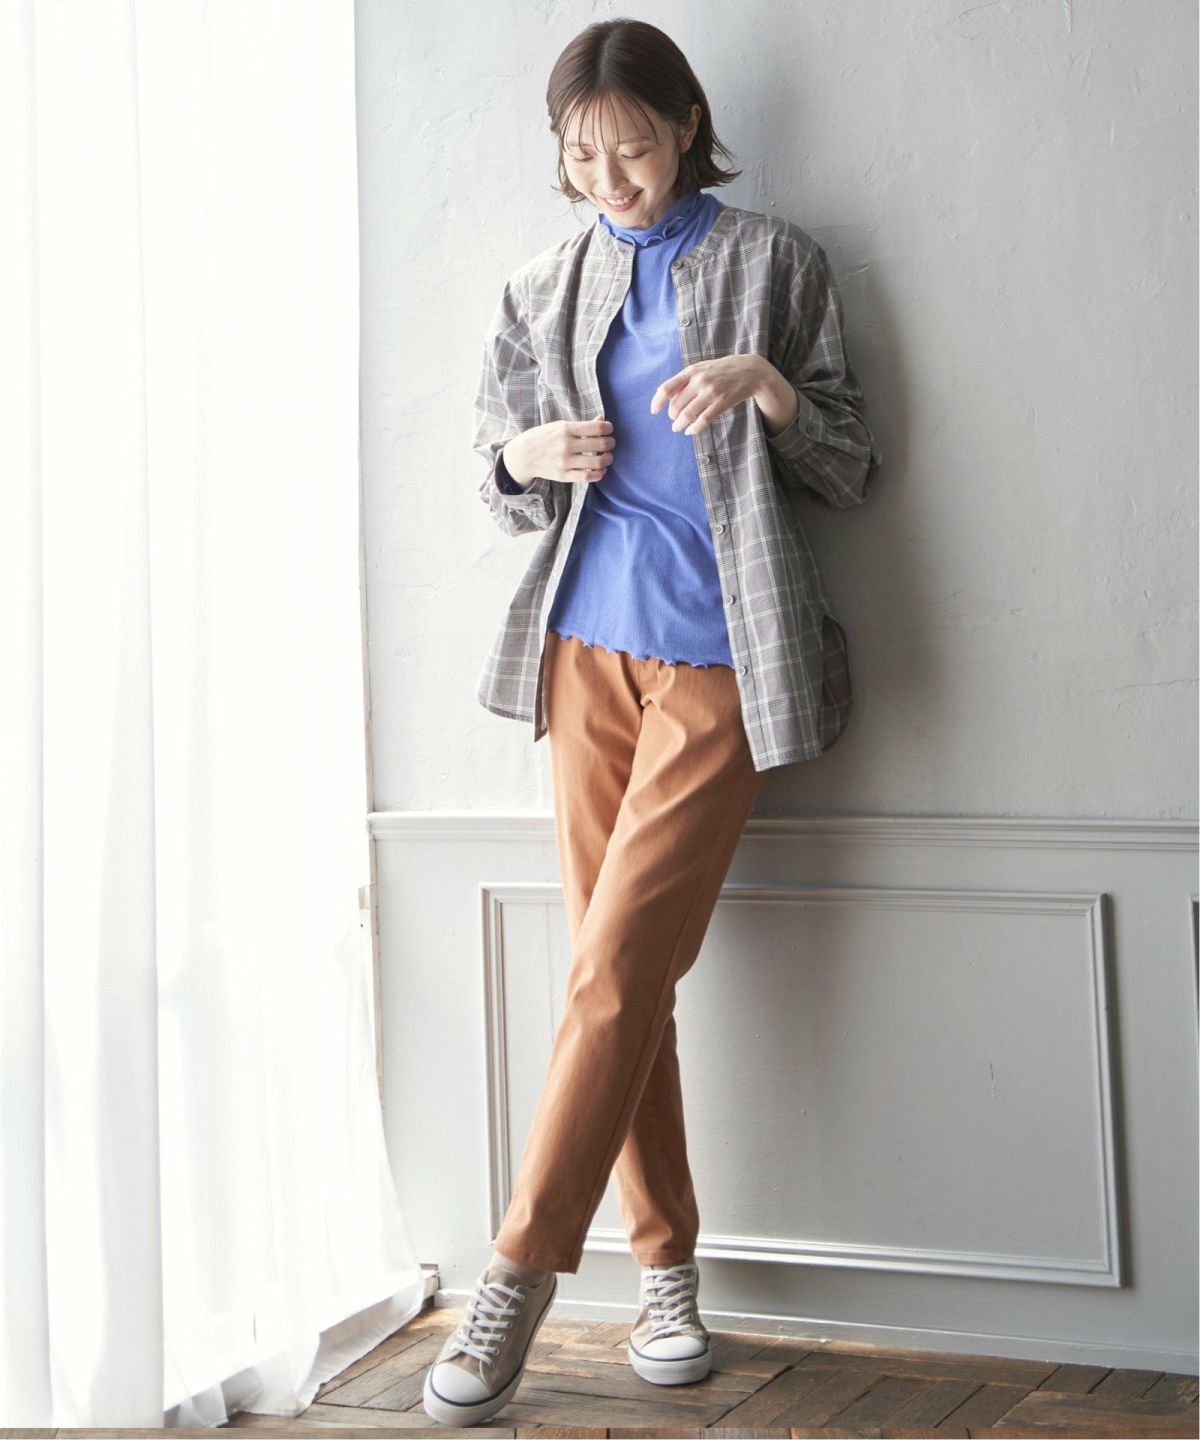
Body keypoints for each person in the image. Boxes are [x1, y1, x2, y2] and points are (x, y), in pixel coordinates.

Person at [423, 17, 881, 1429]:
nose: (610, 175)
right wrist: (526, 452)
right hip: (581, 655)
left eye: (632, 145)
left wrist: (770, 389)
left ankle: (515, 1277)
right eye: (583, 153)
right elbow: (495, 484)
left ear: (687, 125)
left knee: (615, 967)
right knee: (619, 982)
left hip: (721, 664)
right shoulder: (543, 284)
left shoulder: (777, 262)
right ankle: (667, 1270)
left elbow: (853, 464)